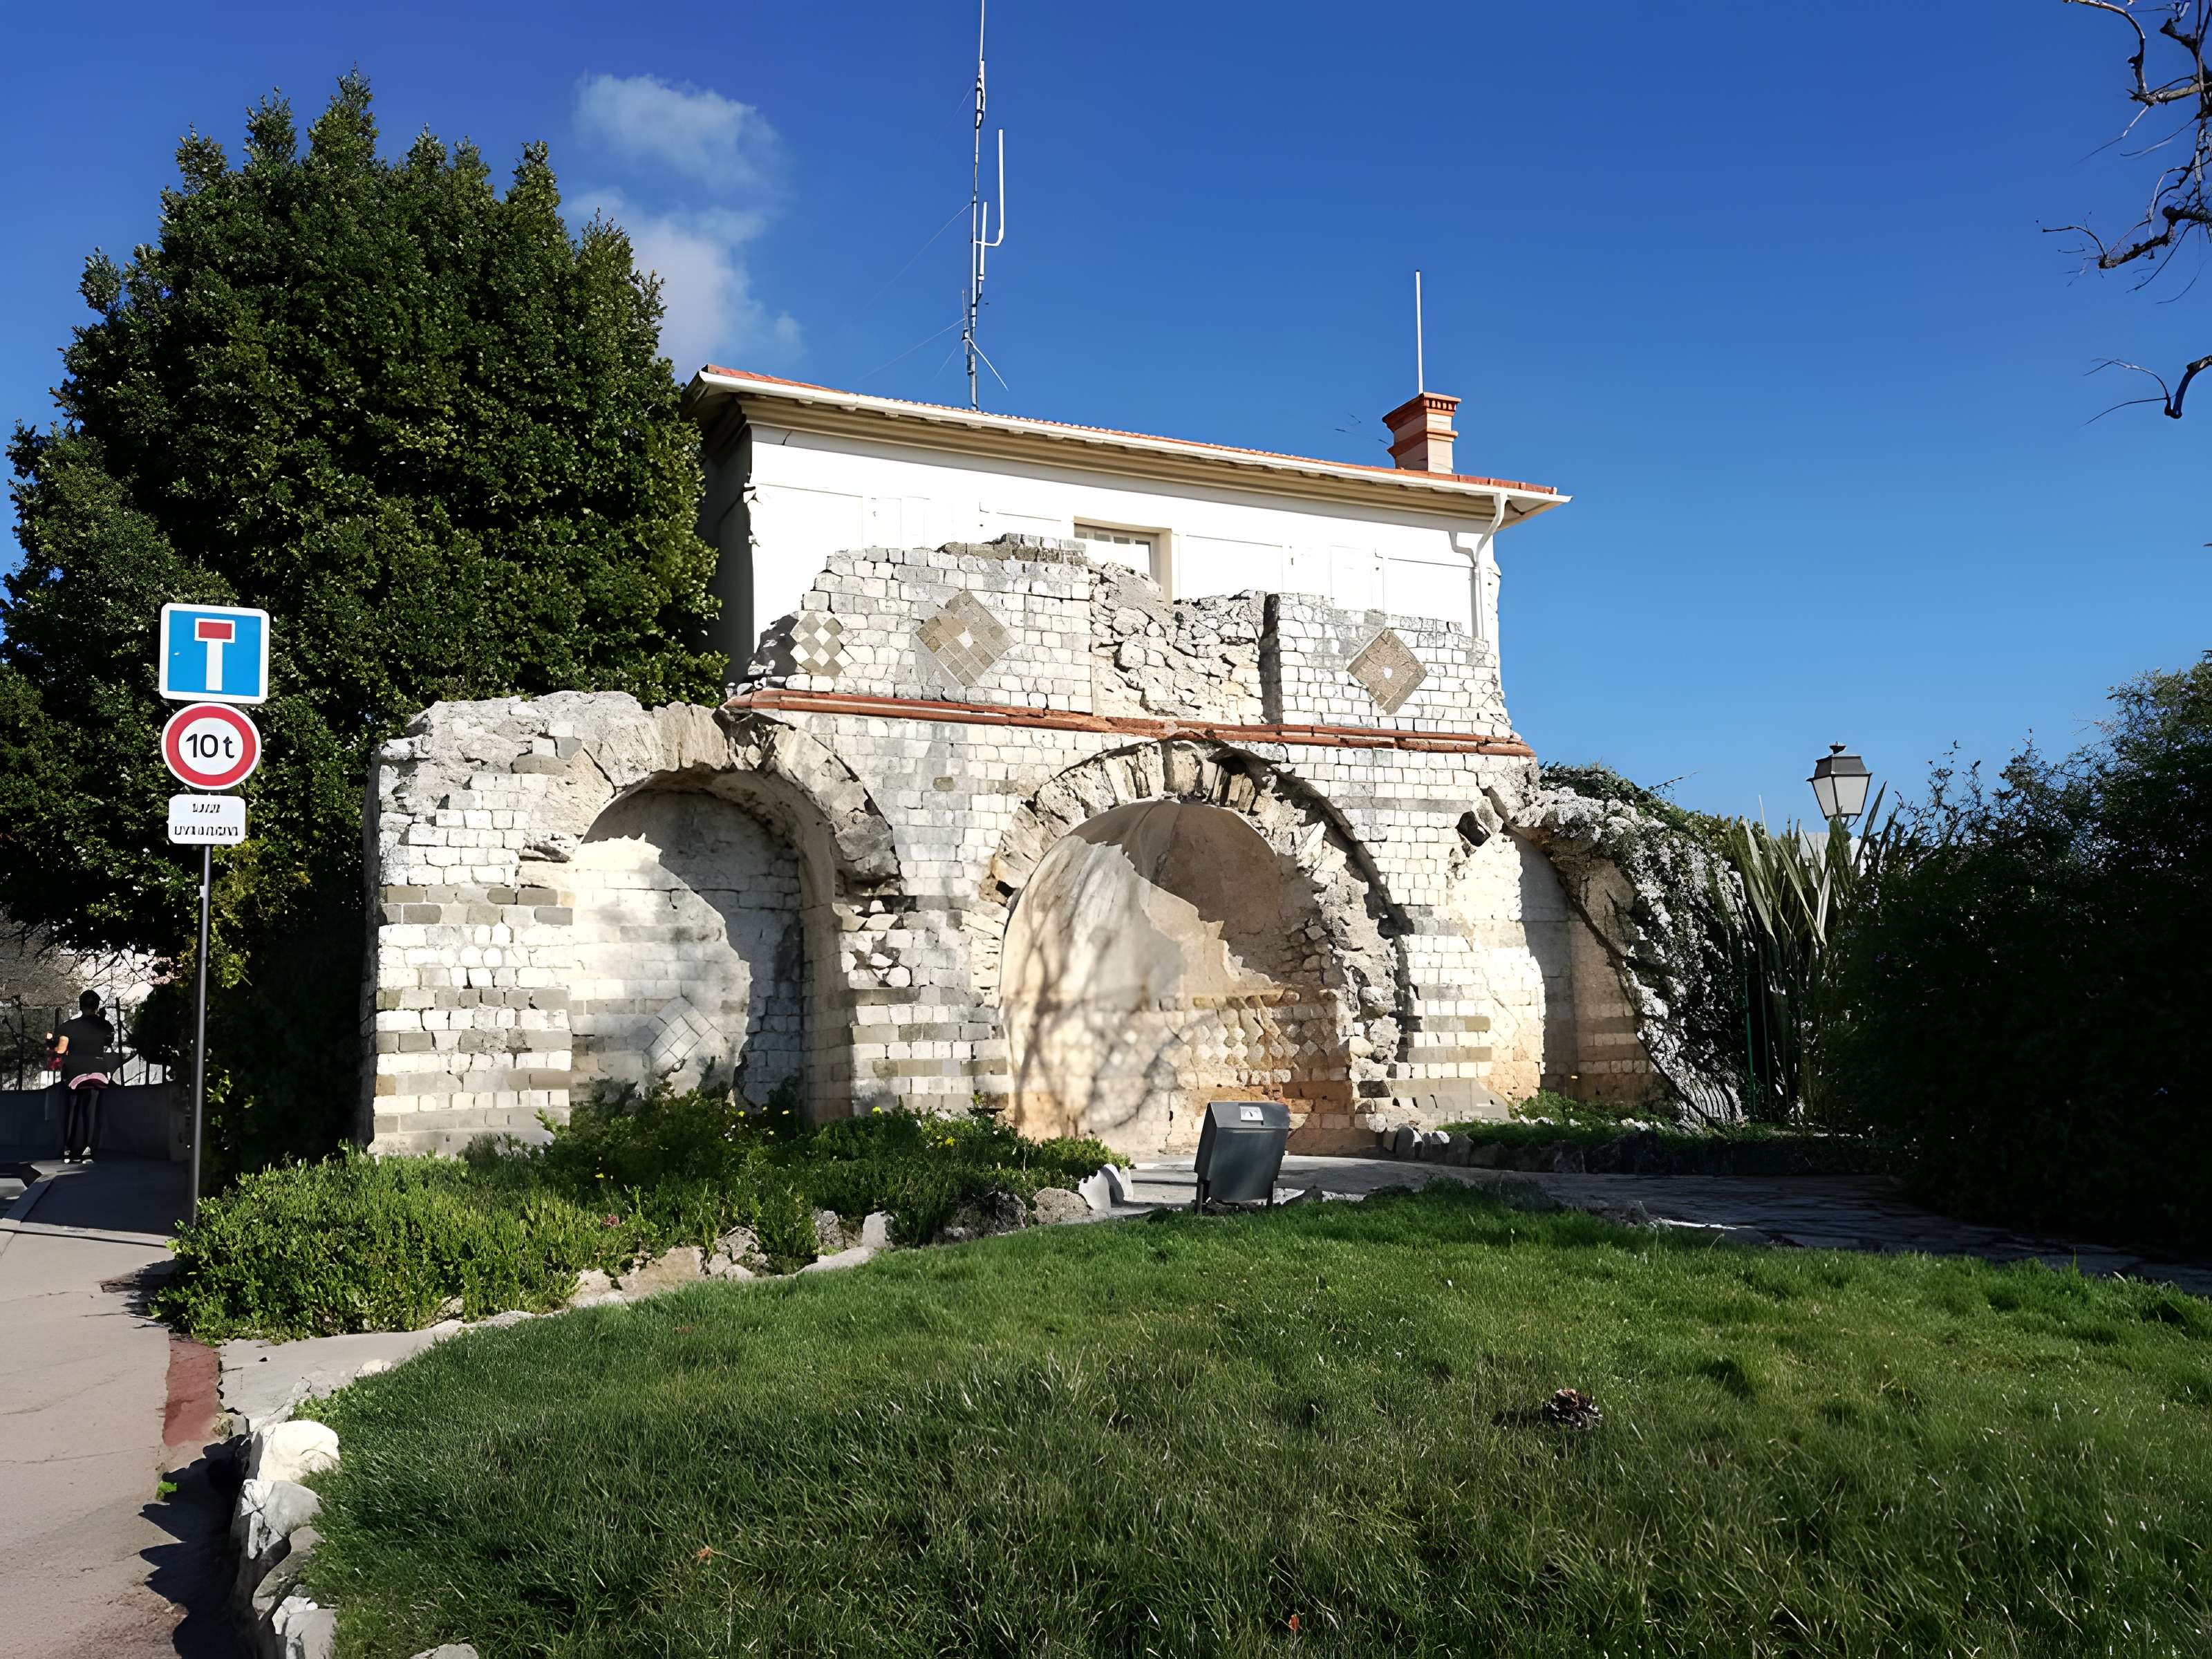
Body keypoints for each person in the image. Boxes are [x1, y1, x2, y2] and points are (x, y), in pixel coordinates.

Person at [49, 990, 115, 1165]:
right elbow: (108, 1043)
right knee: (93, 1109)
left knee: (72, 1108)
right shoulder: (105, 1025)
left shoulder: (68, 1027)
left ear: (80, 1004)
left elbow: (61, 1050)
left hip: (75, 1072)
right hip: (99, 1071)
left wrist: (50, 1042)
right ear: (97, 1006)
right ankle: (92, 1145)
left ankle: (71, 1146)